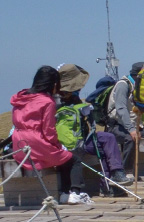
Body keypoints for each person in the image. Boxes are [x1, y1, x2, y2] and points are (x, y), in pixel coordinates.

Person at [10, 66, 89, 204]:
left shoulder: (20, 97)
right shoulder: (47, 102)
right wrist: (58, 146)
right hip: (36, 144)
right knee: (72, 159)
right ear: (53, 84)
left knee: (62, 158)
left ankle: (66, 193)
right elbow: (48, 131)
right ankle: (75, 193)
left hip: (19, 145)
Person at [54, 64, 129, 188]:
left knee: (108, 138)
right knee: (103, 149)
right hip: (68, 142)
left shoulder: (73, 96)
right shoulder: (55, 99)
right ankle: (106, 184)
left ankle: (116, 174)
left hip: (82, 137)